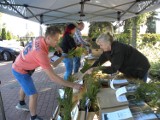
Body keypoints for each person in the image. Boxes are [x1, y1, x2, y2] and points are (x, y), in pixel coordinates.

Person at [12, 26, 82, 120]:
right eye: (56, 40)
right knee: (33, 94)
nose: (57, 42)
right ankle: (33, 117)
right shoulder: (41, 54)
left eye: (58, 40)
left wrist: (57, 47)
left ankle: (21, 103)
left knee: (24, 86)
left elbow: (52, 60)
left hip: (23, 64)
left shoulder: (41, 38)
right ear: (48, 37)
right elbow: (53, 77)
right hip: (20, 70)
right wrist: (73, 85)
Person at [85, 32, 150, 82]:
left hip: (140, 68)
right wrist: (90, 68)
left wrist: (96, 69)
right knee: (131, 83)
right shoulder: (107, 49)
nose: (100, 47)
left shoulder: (118, 49)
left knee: (140, 87)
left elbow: (113, 69)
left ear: (108, 43)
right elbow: (100, 60)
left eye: (101, 45)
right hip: (130, 68)